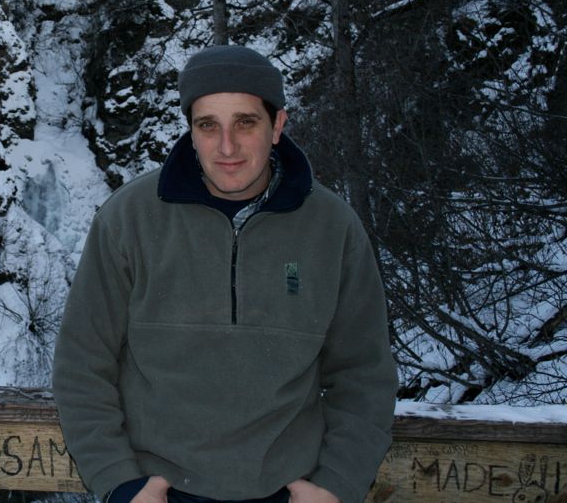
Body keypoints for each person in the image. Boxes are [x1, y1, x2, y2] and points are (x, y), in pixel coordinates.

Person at [51, 45, 398, 503]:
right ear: (191, 130)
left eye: (245, 123)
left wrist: (337, 485)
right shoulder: (128, 219)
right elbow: (81, 365)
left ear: (277, 126)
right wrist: (118, 482)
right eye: (208, 125)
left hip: (291, 492)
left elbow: (364, 376)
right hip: (158, 492)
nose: (227, 146)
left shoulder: (333, 228)